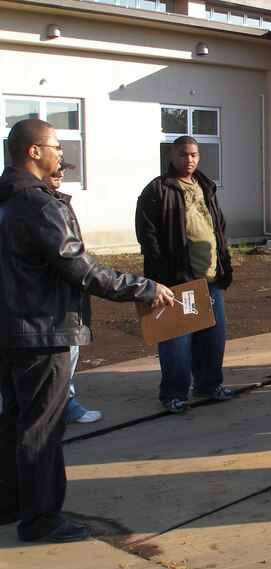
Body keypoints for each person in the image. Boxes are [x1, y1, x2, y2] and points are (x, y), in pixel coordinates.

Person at [0, 118, 173, 543]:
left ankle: (10, 504)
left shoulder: (7, 199)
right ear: (34, 152)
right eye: (56, 146)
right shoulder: (41, 206)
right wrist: (145, 287)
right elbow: (84, 271)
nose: (62, 154)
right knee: (42, 427)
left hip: (10, 330)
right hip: (44, 333)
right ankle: (40, 520)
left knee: (13, 422)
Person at [136, 135, 234, 414]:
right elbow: (148, 236)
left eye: (193, 155)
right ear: (171, 155)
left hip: (210, 279)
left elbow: (218, 229)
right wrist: (163, 274)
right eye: (183, 154)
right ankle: (174, 394)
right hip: (177, 282)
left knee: (213, 339)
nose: (188, 160)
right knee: (177, 342)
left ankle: (208, 384)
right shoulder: (157, 190)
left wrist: (224, 264)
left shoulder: (205, 186)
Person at [42, 161, 103, 424]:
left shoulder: (58, 202)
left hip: (65, 300)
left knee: (69, 355)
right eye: (55, 165)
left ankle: (66, 403)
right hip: (43, 309)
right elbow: (79, 267)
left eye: (63, 168)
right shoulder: (41, 207)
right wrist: (144, 289)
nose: (61, 172)